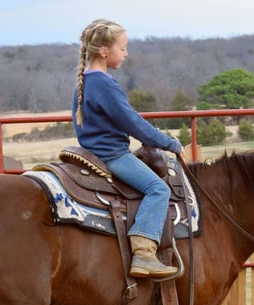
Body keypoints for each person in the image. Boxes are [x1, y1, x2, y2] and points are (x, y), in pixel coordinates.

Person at [72, 18, 183, 278]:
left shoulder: (85, 81)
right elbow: (133, 123)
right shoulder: (104, 84)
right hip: (112, 155)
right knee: (158, 188)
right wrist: (170, 143)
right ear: (104, 51)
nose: (126, 53)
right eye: (122, 48)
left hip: (91, 152)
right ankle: (144, 254)